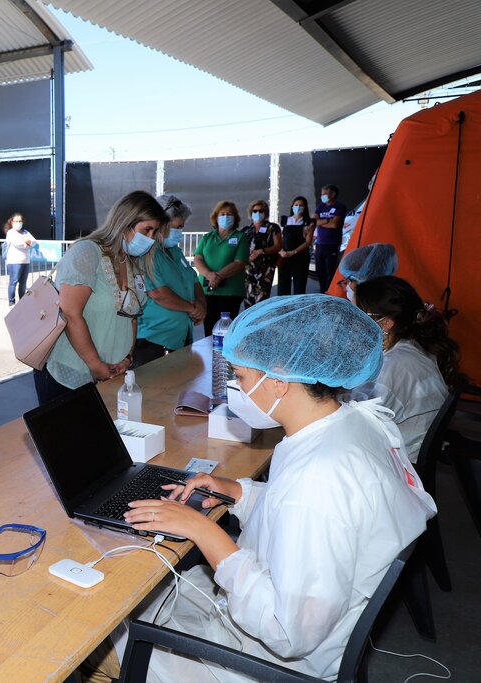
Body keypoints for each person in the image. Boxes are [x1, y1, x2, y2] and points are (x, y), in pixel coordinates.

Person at [83, 294, 435, 682]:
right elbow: (311, 518)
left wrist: (202, 530)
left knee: (93, 640)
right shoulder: (350, 423)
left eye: (241, 376)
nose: (236, 386)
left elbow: (287, 632)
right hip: (295, 616)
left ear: (280, 381)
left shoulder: (317, 480)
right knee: (129, 593)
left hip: (269, 663)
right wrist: (238, 491)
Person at [34, 191, 166, 404]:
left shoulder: (133, 261)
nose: (150, 239)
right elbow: (70, 312)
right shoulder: (87, 252)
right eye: (147, 230)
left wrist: (127, 358)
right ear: (124, 223)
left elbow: (131, 316)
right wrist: (95, 364)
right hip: (69, 374)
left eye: (155, 232)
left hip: (113, 374)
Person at [355, 276, 466, 462]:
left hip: (401, 460)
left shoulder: (390, 366)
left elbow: (360, 424)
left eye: (357, 313)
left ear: (385, 323)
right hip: (416, 444)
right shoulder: (416, 346)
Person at [132, 195, 205, 365]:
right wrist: (192, 308)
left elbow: (193, 280)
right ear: (161, 224)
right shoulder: (146, 253)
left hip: (179, 338)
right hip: (154, 340)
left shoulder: (175, 251)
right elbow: (158, 293)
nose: (179, 232)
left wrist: (201, 306)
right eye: (176, 227)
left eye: (181, 227)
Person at [192, 201, 249, 336]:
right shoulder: (207, 237)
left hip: (230, 293)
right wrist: (209, 275)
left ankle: (223, 357)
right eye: (222, 214)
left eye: (229, 214)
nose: (225, 217)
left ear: (235, 218)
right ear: (216, 217)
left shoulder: (240, 237)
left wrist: (217, 276)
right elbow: (198, 259)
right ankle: (209, 356)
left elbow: (240, 262)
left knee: (226, 331)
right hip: (208, 291)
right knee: (209, 329)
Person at [241, 199, 281, 308]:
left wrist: (262, 251)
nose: (257, 213)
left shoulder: (272, 228)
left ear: (265, 212)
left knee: (261, 299)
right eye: (255, 211)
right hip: (248, 269)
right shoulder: (246, 230)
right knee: (248, 299)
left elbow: (278, 246)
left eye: (261, 210)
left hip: (265, 269)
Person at [276, 196, 314, 295]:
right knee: (282, 287)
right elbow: (278, 238)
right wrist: (281, 252)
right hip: (284, 257)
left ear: (305, 207)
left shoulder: (309, 223)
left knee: (299, 287)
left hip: (300, 257)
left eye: (301, 205)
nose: (298, 207)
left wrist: (293, 252)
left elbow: (308, 242)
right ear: (292, 207)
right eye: (296, 205)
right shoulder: (284, 220)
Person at [312, 184, 346, 292]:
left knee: (330, 270)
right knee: (320, 269)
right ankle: (322, 290)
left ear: (333, 194)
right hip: (319, 243)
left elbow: (334, 225)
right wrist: (327, 220)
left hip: (332, 243)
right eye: (322, 194)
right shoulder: (321, 206)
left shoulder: (339, 206)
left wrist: (320, 222)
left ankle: (330, 291)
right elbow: (313, 221)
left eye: (325, 194)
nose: (322, 196)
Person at [4, 212, 35, 306]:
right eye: (16, 221)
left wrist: (28, 242)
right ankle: (11, 302)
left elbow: (34, 241)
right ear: (12, 222)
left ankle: (22, 302)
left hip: (25, 261)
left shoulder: (25, 232)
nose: (18, 223)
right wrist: (27, 243)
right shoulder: (11, 232)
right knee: (13, 281)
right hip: (14, 261)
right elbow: (18, 244)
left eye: (20, 221)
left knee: (23, 283)